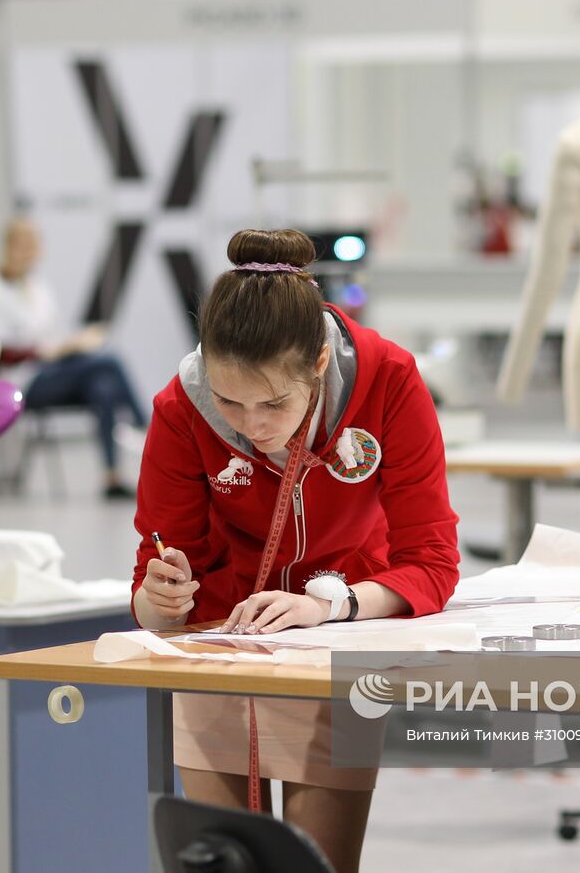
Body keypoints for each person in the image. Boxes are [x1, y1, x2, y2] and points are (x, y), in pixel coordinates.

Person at [130, 229, 459, 872]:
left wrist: (331, 605)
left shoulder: (388, 380)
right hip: (223, 645)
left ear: (316, 365)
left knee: (318, 866)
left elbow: (432, 561)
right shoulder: (180, 407)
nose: (251, 426)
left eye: (273, 403)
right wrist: (157, 598)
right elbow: (158, 581)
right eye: (229, 401)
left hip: (341, 642)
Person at [0, 217, 146, 498]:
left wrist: (70, 344)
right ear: (6, 247)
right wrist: (42, 351)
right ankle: (144, 425)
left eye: (33, 245)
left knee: (102, 386)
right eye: (21, 245)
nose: (28, 251)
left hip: (52, 372)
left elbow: (51, 337)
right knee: (109, 360)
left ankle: (112, 478)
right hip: (21, 383)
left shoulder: (39, 289)